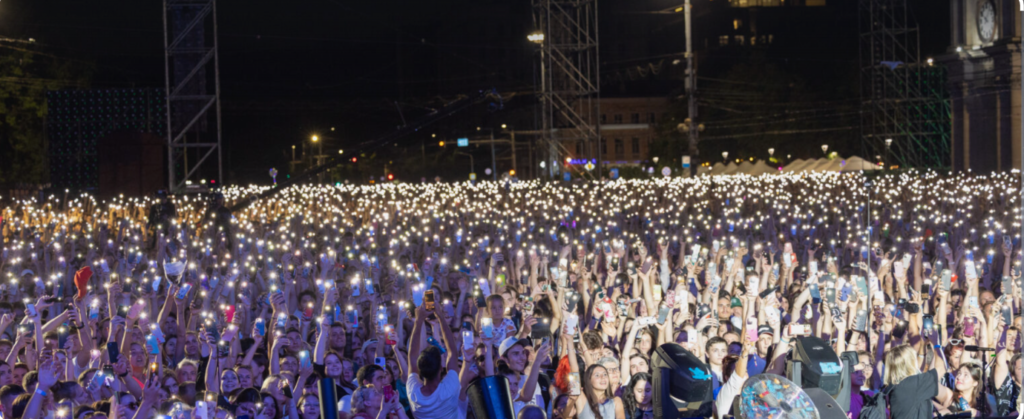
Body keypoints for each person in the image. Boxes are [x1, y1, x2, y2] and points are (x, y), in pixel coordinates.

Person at [885, 344, 951, 419]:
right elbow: (941, 370)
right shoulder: (912, 385)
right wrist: (936, 345)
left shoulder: (894, 386)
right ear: (909, 363)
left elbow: (931, 373)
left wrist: (929, 348)